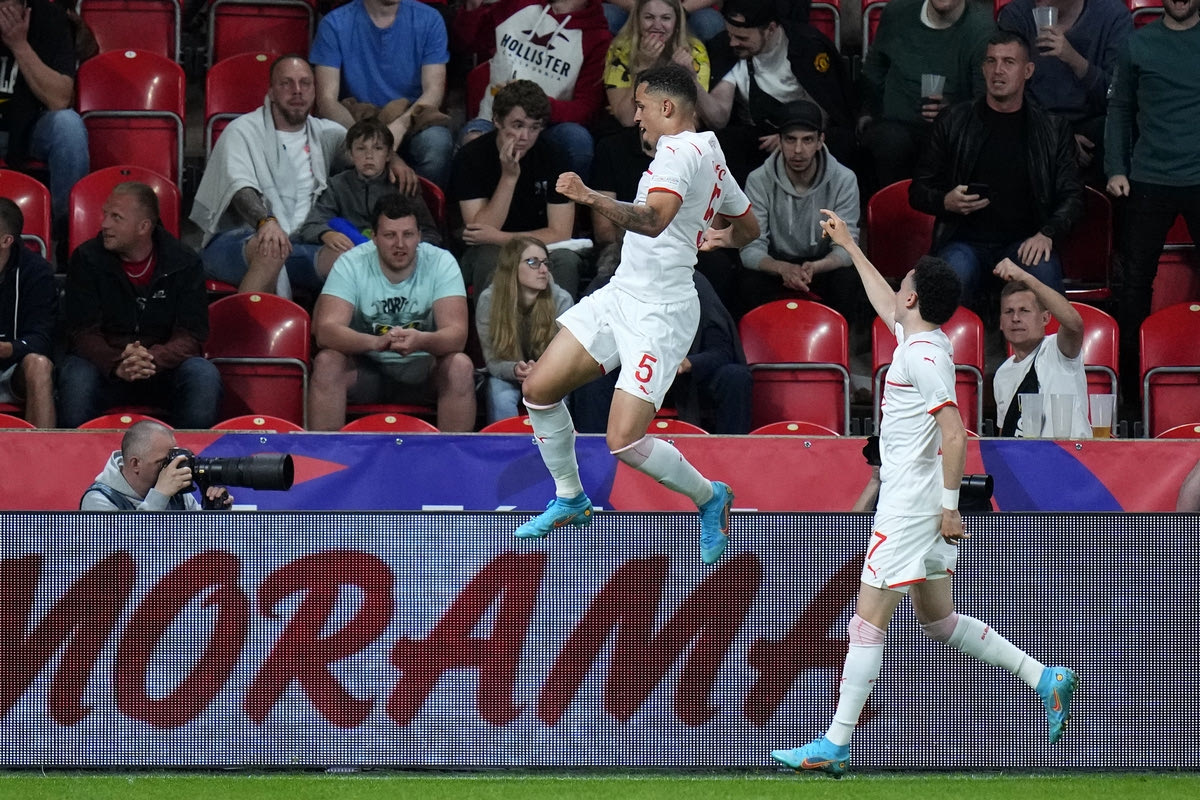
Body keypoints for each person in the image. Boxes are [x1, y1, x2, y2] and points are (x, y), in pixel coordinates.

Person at [770, 208, 1076, 776]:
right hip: (917, 499)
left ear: (912, 298)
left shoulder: (922, 355)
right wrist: (849, 246)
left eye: (903, 284)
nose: (897, 291)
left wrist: (949, 509)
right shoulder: (916, 336)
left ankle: (835, 743)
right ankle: (1043, 676)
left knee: (867, 621)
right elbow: (884, 302)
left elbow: (955, 432)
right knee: (939, 621)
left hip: (913, 506)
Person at [511, 64, 759, 564]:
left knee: (623, 440)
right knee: (538, 389)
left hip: (661, 314)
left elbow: (651, 220)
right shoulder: (710, 151)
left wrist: (588, 196)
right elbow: (750, 227)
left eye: (642, 107)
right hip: (621, 292)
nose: (636, 117)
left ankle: (710, 496)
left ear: (667, 107)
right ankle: (570, 497)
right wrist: (721, 237)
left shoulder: (678, 151)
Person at [909, 31, 1083, 311]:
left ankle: (1052, 342)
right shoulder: (952, 121)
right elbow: (918, 190)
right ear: (983, 68)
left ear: (1028, 71)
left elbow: (1072, 196)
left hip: (1024, 242)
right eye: (991, 61)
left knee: (1043, 272)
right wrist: (945, 201)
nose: (998, 70)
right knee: (948, 278)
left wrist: (1047, 233)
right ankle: (938, 342)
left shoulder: (1053, 129)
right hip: (963, 242)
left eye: (1008, 62)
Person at [58, 183, 222, 430]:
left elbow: (191, 334)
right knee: (76, 376)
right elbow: (82, 332)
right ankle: (76, 452)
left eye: (116, 217)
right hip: (105, 367)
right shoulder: (86, 259)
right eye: (105, 214)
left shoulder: (184, 262)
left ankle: (187, 453)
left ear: (144, 227)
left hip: (161, 369)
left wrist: (153, 358)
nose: (104, 224)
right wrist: (118, 363)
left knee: (203, 374)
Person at [308, 194, 476, 432]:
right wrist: (375, 343)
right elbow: (326, 332)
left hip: (424, 372)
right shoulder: (351, 263)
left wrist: (421, 340)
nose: (400, 244)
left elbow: (457, 336)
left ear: (419, 235)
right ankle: (325, 453)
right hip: (366, 371)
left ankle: (454, 454)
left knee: (460, 365)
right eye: (389, 235)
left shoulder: (441, 262)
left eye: (408, 234)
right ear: (374, 237)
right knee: (327, 362)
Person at [1104, 0, 1200, 405]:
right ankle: (1130, 397)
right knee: (1133, 287)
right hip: (1147, 179)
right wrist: (1115, 168)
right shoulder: (1137, 44)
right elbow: (1120, 109)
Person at [191, 56, 351, 296]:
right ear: (272, 92)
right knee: (271, 247)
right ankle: (246, 322)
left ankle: (319, 322)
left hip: (301, 241)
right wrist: (266, 222)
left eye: (305, 83)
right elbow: (240, 188)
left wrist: (396, 161)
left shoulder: (327, 133)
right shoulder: (242, 131)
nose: (297, 90)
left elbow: (370, 151)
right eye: (286, 83)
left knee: (350, 261)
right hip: (239, 240)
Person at [573, 267, 752, 434]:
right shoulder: (614, 283)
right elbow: (587, 340)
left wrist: (688, 363)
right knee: (591, 376)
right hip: (629, 376)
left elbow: (721, 351)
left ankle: (734, 452)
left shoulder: (695, 284)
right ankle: (594, 450)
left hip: (684, 381)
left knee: (735, 376)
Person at [449, 80, 584, 299]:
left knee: (566, 261)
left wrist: (500, 237)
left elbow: (561, 233)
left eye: (534, 128)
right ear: (497, 120)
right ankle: (493, 323)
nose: (524, 137)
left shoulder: (555, 156)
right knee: (489, 258)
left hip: (542, 246)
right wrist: (509, 177)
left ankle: (558, 323)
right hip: (489, 250)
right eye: (517, 125)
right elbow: (480, 230)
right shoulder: (471, 158)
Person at [696, 0, 854, 184]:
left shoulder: (807, 47)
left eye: (742, 38)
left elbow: (825, 110)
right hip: (758, 135)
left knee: (842, 142)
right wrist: (691, 78)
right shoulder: (727, 48)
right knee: (720, 144)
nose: (733, 42)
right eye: (730, 34)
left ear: (770, 29)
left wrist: (788, 138)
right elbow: (719, 119)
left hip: (805, 131)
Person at [452, 0, 613, 179]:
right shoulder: (517, 4)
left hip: (546, 126)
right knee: (473, 141)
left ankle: (564, 197)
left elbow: (586, 108)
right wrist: (473, 7)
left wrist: (533, 103)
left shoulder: (597, 38)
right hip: (493, 117)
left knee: (577, 141)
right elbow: (467, 43)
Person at [739, 98, 865, 324]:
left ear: (820, 141)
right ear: (779, 141)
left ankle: (838, 342)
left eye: (807, 140)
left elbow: (847, 248)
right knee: (747, 282)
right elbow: (750, 249)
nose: (798, 150)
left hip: (822, 264)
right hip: (776, 263)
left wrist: (816, 267)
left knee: (848, 280)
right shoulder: (758, 180)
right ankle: (757, 343)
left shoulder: (844, 179)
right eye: (790, 139)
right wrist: (781, 268)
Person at [310, 0, 454, 189]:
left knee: (437, 144)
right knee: (327, 142)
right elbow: (327, 101)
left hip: (411, 117)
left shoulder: (430, 19)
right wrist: (375, 143)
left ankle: (420, 205)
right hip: (356, 120)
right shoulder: (334, 24)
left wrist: (400, 126)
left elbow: (434, 91)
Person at [858, 0, 993, 191]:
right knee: (889, 142)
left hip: (950, 131)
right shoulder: (898, 12)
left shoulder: (981, 29)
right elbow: (874, 70)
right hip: (894, 125)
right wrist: (867, 111)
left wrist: (953, 111)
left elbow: (983, 98)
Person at [997, 0, 1131, 187]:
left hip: (1093, 125)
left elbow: (1117, 96)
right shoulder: (1017, 15)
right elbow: (1008, 91)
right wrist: (1059, 136)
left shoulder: (1113, 15)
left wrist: (1073, 59)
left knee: (1114, 132)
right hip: (1037, 123)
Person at [296, 117, 443, 277]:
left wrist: (405, 245)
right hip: (353, 255)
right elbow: (312, 224)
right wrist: (326, 234)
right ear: (350, 154)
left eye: (378, 148)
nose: (369, 156)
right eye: (361, 149)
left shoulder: (403, 185)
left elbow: (430, 234)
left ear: (388, 155)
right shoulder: (336, 185)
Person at [0, 0, 88, 245]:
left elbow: (60, 99)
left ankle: (66, 235)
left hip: (28, 128)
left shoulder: (49, 19)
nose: (4, 12)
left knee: (68, 127)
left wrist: (19, 45)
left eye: (9, 4)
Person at [475, 236, 574, 423]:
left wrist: (540, 370)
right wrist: (514, 369)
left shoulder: (561, 300)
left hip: (550, 374)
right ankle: (507, 442)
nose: (543, 270)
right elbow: (493, 361)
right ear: (512, 267)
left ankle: (554, 441)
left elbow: (565, 360)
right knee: (500, 394)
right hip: (507, 375)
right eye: (533, 262)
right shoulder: (489, 301)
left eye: (545, 263)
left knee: (556, 391)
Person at [992, 257, 1090, 438]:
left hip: (1072, 454)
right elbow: (1005, 436)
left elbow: (1075, 324)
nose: (1015, 318)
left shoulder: (1057, 350)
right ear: (1000, 322)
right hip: (1028, 456)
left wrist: (1025, 277)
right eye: (1008, 312)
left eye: (1024, 310)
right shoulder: (1001, 374)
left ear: (1045, 318)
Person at [80, 420, 233, 511]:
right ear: (135, 464)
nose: (171, 469)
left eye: (172, 458)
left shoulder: (177, 492)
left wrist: (213, 513)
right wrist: (159, 496)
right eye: (162, 462)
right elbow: (124, 550)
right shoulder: (99, 499)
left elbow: (193, 545)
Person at [603, 0, 710, 128]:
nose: (657, 25)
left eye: (666, 18)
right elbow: (627, 119)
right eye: (649, 17)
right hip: (632, 131)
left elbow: (693, 121)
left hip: (676, 132)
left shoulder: (694, 51)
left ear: (677, 23)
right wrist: (643, 69)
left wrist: (686, 77)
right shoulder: (621, 50)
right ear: (637, 20)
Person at [0, 197, 55, 428]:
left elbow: (42, 338)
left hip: (14, 369)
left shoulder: (35, 272)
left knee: (39, 365)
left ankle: (43, 448)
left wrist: (7, 349)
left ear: (6, 240)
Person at [602, 0, 724, 43]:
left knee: (709, 22)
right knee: (606, 15)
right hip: (631, 9)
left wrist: (680, 11)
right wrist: (638, 8)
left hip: (687, 9)